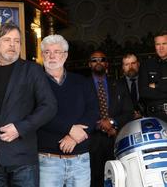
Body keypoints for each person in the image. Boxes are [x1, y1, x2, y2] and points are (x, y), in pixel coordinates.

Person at [0, 22, 57, 187]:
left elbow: (49, 106)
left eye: (17, 41)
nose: (13, 45)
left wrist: (19, 128)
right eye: (7, 40)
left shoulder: (32, 70)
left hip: (23, 159)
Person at [37, 34, 99, 187]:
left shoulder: (82, 82)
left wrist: (74, 137)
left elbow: (93, 111)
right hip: (49, 161)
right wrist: (70, 128)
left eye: (57, 51)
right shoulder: (34, 83)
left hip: (80, 160)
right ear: (42, 55)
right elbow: (37, 114)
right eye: (47, 52)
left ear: (65, 55)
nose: (51, 56)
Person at [88, 51, 133, 187]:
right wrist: (101, 125)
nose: (98, 62)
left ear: (106, 63)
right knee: (94, 179)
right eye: (94, 60)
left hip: (115, 138)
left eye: (102, 59)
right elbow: (79, 110)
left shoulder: (119, 85)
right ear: (90, 64)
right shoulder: (82, 85)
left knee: (117, 179)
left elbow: (129, 112)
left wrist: (112, 122)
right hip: (91, 140)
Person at [139, 30, 167, 122]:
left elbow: (150, 90)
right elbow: (143, 92)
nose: (161, 47)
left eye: (164, 43)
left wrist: (156, 85)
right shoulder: (146, 65)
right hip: (155, 116)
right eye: (158, 44)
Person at [119, 53, 144, 119]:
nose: (130, 67)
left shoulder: (146, 80)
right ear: (123, 67)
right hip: (126, 121)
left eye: (133, 63)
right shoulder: (117, 85)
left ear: (138, 64)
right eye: (127, 64)